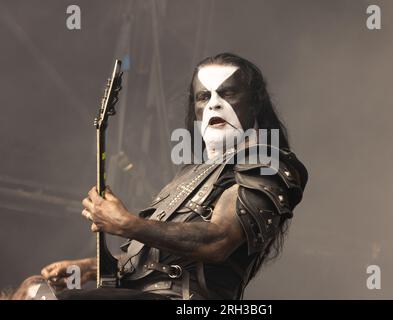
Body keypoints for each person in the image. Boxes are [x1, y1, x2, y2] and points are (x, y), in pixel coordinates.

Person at [34, 53, 308, 300]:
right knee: (34, 288)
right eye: (204, 96)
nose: (214, 104)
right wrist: (92, 267)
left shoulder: (268, 163)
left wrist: (127, 223)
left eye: (227, 93)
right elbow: (156, 259)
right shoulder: (191, 173)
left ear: (255, 102)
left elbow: (218, 240)